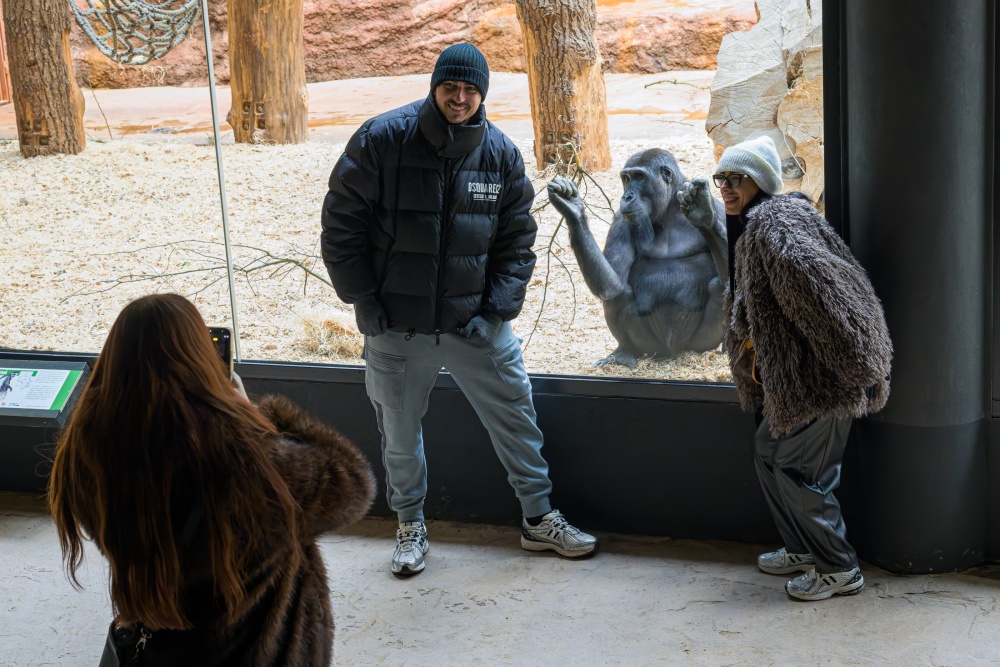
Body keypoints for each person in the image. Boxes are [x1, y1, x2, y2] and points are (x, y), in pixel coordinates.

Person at [320, 42, 597, 576]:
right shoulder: (382, 140)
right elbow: (341, 226)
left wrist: (495, 312)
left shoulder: (500, 154)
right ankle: (409, 525)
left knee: (517, 419)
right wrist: (364, 300)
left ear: (483, 94)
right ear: (434, 86)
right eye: (451, 87)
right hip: (397, 327)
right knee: (399, 435)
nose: (461, 98)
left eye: (471, 90)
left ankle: (538, 520)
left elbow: (518, 243)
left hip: (477, 326)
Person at [49, 293, 376, 664]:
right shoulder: (246, 465)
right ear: (200, 362)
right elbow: (352, 483)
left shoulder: (85, 451)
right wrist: (258, 417)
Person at [678, 135, 892, 601]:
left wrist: (858, 370)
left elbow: (835, 300)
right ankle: (804, 547)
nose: (727, 188)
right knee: (769, 452)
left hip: (822, 380)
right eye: (722, 179)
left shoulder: (779, 228)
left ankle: (839, 568)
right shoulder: (751, 225)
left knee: (797, 468)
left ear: (761, 181)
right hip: (793, 382)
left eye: (738, 178)